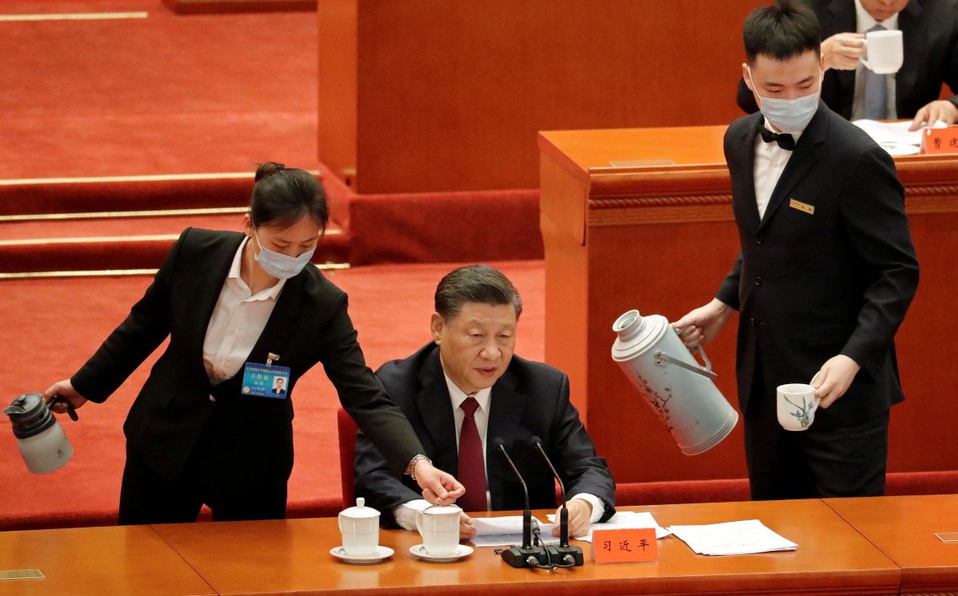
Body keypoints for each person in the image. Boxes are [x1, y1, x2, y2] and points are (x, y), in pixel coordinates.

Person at [43, 162, 463, 525]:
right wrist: (82, 386)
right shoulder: (195, 252)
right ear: (249, 224)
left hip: (252, 463)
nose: (292, 258)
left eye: (307, 246)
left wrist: (418, 465)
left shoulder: (322, 304)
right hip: (163, 440)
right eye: (280, 245)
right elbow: (143, 326)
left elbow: (364, 394)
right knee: (143, 565)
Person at [675, 1, 919, 500]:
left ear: (823, 67)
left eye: (805, 85)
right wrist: (724, 303)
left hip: (840, 391)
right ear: (748, 77)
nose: (791, 99)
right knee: (776, 530)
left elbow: (896, 272)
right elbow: (766, 238)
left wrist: (852, 358)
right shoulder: (739, 140)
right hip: (765, 382)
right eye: (774, 89)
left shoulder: (857, 158)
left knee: (849, 539)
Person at [353, 264, 616, 539]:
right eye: (476, 336)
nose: (492, 353)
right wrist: (425, 514)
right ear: (439, 328)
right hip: (429, 547)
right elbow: (373, 478)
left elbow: (589, 468)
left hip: (522, 552)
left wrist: (585, 504)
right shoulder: (396, 386)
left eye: (504, 336)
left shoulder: (544, 388)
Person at [735, 0, 958, 129]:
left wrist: (951, 107)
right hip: (827, 149)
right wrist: (818, 60)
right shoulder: (806, 8)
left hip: (910, 146)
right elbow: (748, 98)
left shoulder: (944, 12)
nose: (888, 2)